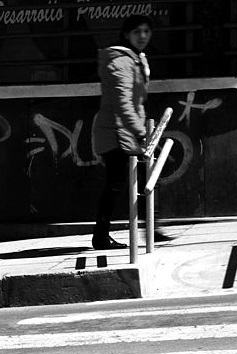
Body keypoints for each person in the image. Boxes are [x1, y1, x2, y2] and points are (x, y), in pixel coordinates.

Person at [91, 14, 171, 250]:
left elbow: (135, 102)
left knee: (143, 179)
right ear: (126, 34)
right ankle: (101, 236)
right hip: (115, 132)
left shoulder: (134, 59)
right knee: (117, 184)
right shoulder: (121, 62)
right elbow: (123, 103)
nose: (143, 36)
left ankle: (151, 229)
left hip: (124, 130)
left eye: (147, 31)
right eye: (137, 32)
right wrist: (141, 132)